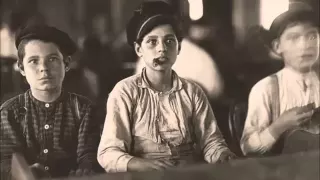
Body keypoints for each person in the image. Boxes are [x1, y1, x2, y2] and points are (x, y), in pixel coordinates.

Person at [97, 1, 235, 173]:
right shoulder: (125, 92)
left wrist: (222, 154)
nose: (162, 49)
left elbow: (211, 142)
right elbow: (108, 153)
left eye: (169, 41)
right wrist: (143, 165)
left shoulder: (193, 92)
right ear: (139, 49)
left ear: (179, 48)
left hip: (187, 174)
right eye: (152, 42)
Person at [0, 24, 101, 179]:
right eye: (34, 61)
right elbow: (7, 160)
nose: (44, 68)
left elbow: (88, 154)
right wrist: (24, 173)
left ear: (66, 64)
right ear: (21, 68)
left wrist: (85, 170)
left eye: (52, 59)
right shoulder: (9, 112)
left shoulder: (83, 109)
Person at [241, 8, 319, 155]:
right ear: (278, 46)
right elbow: (248, 149)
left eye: (312, 36)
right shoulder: (266, 88)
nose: (305, 45)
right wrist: (278, 126)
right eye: (294, 38)